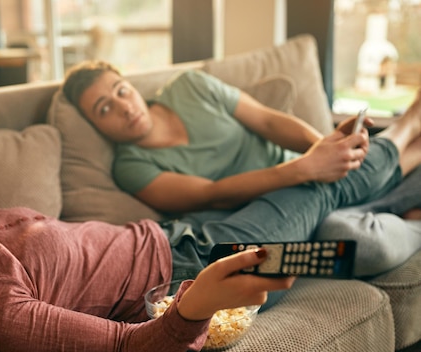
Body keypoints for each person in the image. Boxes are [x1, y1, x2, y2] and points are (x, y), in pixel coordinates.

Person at [0, 126, 406, 352]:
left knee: (335, 218)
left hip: (177, 229)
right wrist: (199, 305)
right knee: (329, 182)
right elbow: (132, 349)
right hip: (197, 266)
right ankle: (405, 129)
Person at [61, 60, 421, 276]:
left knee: (344, 203)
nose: (123, 107)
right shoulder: (130, 167)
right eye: (104, 109)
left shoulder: (191, 87)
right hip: (272, 213)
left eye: (121, 91)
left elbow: (267, 122)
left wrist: (325, 149)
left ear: (132, 86)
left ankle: (409, 132)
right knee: (361, 243)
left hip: (309, 175)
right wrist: (305, 168)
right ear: (97, 126)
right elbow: (212, 195)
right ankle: (409, 137)